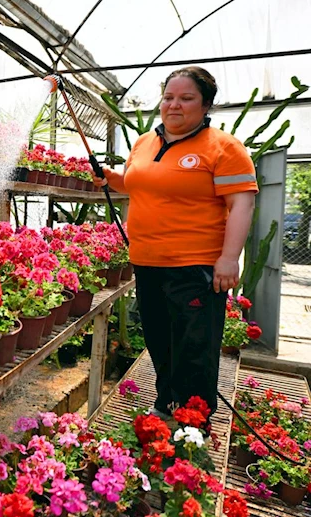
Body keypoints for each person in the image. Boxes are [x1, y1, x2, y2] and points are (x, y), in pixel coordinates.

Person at [94, 66, 257, 420]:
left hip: (194, 266)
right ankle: (166, 403)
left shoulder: (224, 148)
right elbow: (140, 184)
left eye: (186, 98)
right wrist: (111, 179)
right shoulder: (144, 142)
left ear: (206, 105)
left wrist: (229, 258)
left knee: (194, 346)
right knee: (158, 339)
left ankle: (194, 420)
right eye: (169, 97)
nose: (174, 105)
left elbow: (242, 203)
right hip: (147, 262)